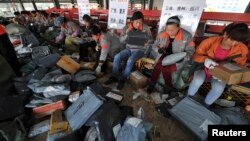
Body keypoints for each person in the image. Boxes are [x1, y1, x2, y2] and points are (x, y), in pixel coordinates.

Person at [187, 23, 249, 107]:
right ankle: (189, 98)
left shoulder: (242, 49)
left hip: (220, 75)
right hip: (203, 69)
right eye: (232, 39)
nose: (234, 43)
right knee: (197, 80)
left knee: (219, 88)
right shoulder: (210, 41)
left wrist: (227, 75)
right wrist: (205, 59)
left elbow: (240, 66)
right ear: (225, 34)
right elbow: (195, 56)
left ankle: (206, 105)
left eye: (238, 41)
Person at [105, 11, 153, 90]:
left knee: (130, 60)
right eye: (137, 22)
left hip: (140, 50)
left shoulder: (146, 28)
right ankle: (115, 76)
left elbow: (151, 40)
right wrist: (126, 35)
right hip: (129, 49)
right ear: (132, 21)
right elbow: (121, 41)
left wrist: (148, 41)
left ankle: (123, 79)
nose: (138, 24)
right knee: (117, 57)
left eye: (140, 22)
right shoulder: (126, 28)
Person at [146, 16, 195, 94]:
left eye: (172, 30)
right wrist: (158, 49)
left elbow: (191, 51)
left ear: (178, 27)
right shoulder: (162, 33)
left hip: (177, 58)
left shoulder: (187, 36)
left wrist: (183, 58)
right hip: (164, 55)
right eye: (167, 29)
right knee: (157, 67)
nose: (169, 32)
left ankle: (168, 87)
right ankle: (152, 83)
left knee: (167, 69)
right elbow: (155, 45)